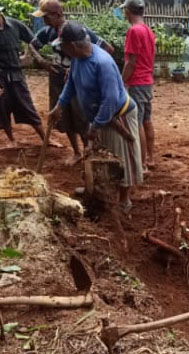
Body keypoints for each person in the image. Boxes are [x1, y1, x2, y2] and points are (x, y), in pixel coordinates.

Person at [48, 22, 143, 211]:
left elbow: (110, 99)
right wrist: (59, 105)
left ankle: (124, 199)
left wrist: (96, 126)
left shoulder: (102, 62)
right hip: (98, 116)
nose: (62, 49)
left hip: (118, 116)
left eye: (63, 45)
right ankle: (96, 189)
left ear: (72, 45)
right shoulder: (76, 59)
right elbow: (72, 84)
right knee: (96, 154)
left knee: (122, 157)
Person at [27, 0, 114, 165]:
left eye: (46, 17)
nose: (44, 21)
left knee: (81, 117)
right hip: (56, 79)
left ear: (58, 15)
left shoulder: (77, 32)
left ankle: (89, 152)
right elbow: (32, 46)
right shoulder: (47, 32)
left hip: (77, 81)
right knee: (64, 117)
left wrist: (81, 66)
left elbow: (107, 49)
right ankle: (76, 152)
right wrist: (42, 62)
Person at [0, 7, 61, 149]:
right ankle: (11, 140)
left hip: (16, 74)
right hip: (1, 76)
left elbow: (33, 41)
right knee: (2, 108)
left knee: (27, 105)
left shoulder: (14, 25)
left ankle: (46, 139)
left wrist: (29, 56)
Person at [121, 0, 156, 173]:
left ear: (128, 11)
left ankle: (141, 165)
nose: (124, 14)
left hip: (137, 82)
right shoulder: (148, 30)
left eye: (124, 11)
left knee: (138, 122)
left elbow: (131, 63)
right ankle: (150, 158)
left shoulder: (133, 31)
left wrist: (120, 82)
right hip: (148, 81)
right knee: (147, 120)